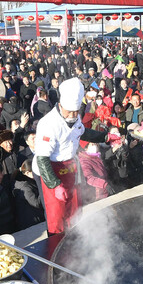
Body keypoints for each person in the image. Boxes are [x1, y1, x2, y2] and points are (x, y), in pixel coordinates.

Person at [33, 78, 106, 236]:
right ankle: (55, 243)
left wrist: (105, 137)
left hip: (69, 165)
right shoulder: (48, 124)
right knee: (56, 212)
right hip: (50, 168)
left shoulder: (75, 118)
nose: (73, 115)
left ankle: (74, 239)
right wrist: (55, 185)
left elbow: (82, 132)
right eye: (69, 111)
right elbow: (42, 159)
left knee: (73, 207)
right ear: (60, 105)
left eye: (76, 111)